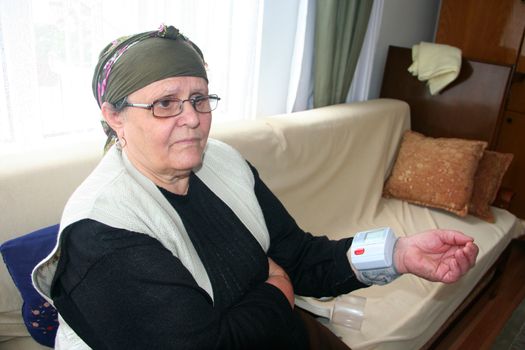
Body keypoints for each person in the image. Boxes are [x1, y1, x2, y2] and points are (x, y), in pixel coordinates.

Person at [32, 25, 479, 350]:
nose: (191, 118)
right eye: (165, 103)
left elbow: (299, 256)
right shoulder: (104, 231)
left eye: (199, 99)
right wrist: (277, 289)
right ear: (114, 117)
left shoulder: (222, 161)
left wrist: (398, 254)